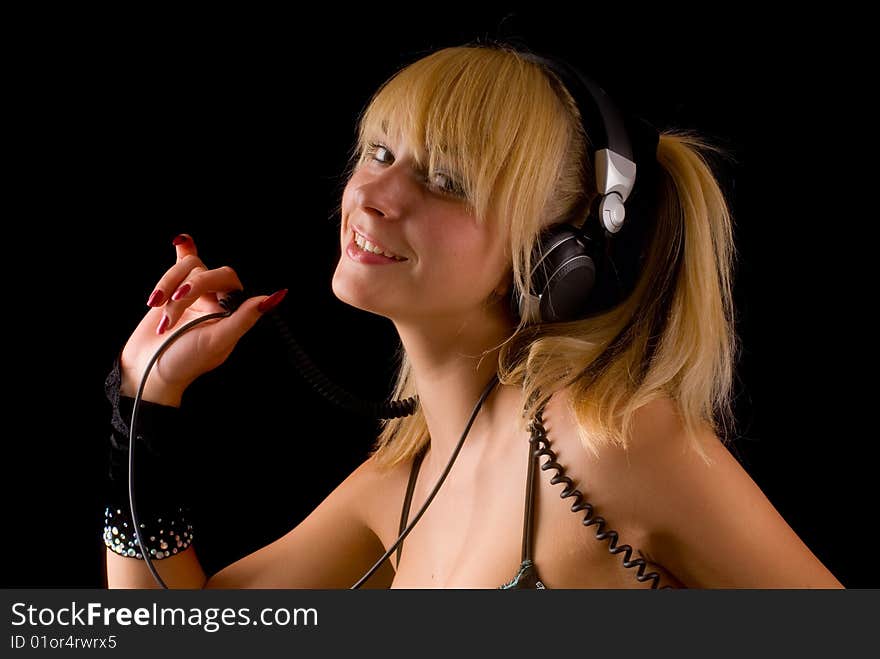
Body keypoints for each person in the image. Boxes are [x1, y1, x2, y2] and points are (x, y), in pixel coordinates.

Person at [104, 42, 843, 589]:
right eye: (382, 150)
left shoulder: (613, 441)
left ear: (559, 257)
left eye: (446, 179)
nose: (373, 195)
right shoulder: (399, 483)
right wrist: (144, 407)